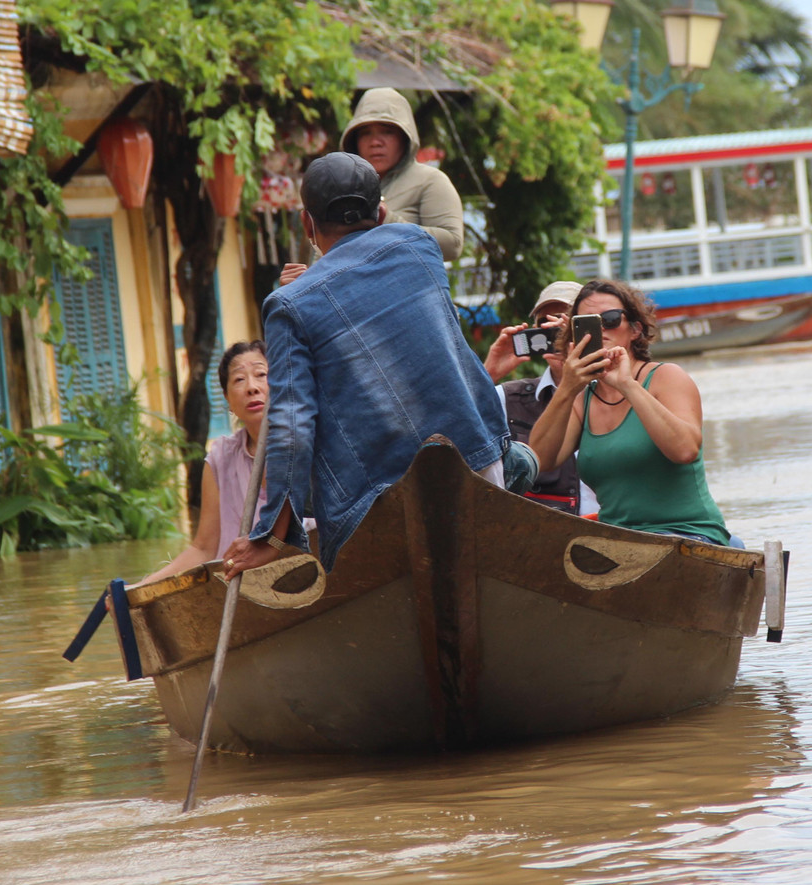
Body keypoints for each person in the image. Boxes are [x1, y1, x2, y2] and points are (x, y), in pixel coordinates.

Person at [222, 152, 531, 579]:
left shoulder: (288, 305)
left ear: (306, 225)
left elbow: (292, 423)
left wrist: (272, 536)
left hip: (372, 496)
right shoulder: (420, 246)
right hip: (474, 461)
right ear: (381, 211)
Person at [527, 278, 733, 546]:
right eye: (587, 322)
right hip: (618, 539)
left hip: (686, 533)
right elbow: (541, 460)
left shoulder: (667, 377)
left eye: (610, 319)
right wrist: (566, 387)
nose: (600, 329)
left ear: (635, 329)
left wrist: (626, 385)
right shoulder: (582, 397)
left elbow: (685, 450)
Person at [139, 341, 270, 584]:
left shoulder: (303, 443)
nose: (252, 387)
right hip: (241, 586)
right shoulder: (221, 457)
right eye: (239, 380)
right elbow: (203, 549)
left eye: (261, 374)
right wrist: (141, 587)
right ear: (228, 400)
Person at [484, 280, 598, 517]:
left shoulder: (620, 392)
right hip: (542, 535)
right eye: (544, 323)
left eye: (565, 321)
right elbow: (449, 439)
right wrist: (487, 374)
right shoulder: (509, 397)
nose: (554, 332)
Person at [340, 87, 465, 261]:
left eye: (387, 131)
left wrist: (387, 220)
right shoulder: (344, 187)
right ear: (354, 140)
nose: (375, 142)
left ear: (404, 137)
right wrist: (305, 279)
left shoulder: (430, 181)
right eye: (365, 133)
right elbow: (327, 253)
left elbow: (453, 245)